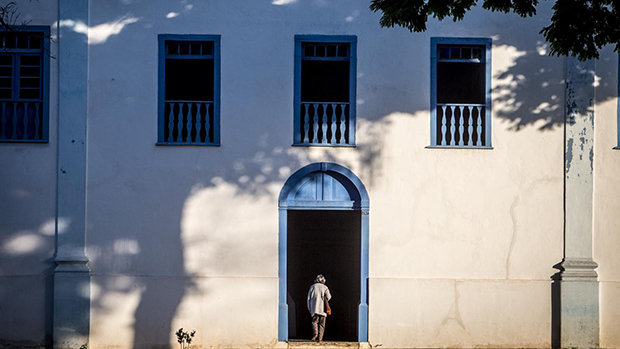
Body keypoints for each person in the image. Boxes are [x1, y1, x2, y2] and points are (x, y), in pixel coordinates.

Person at [307, 274, 331, 342]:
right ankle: (320, 338)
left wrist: (309, 308)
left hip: (315, 308)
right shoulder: (325, 287)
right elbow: (329, 297)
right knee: (322, 324)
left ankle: (315, 333)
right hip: (323, 309)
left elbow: (308, 298)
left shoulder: (312, 287)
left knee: (314, 322)